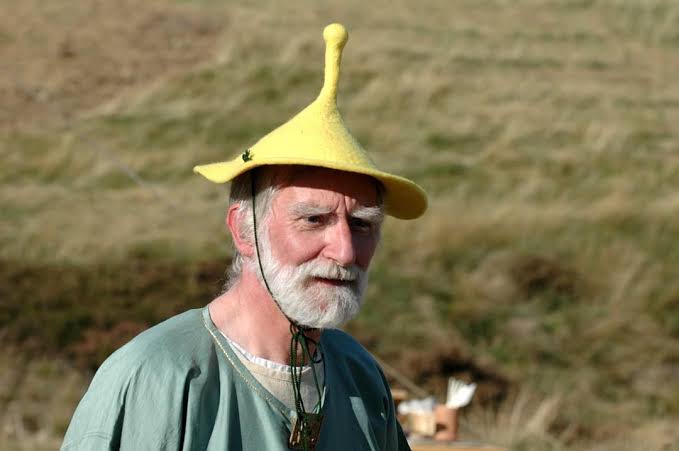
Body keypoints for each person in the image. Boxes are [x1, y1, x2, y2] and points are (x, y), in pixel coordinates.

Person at [61, 23, 427, 451]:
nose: (345, 251)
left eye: (362, 224)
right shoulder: (158, 377)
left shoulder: (360, 378)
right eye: (313, 219)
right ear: (243, 230)